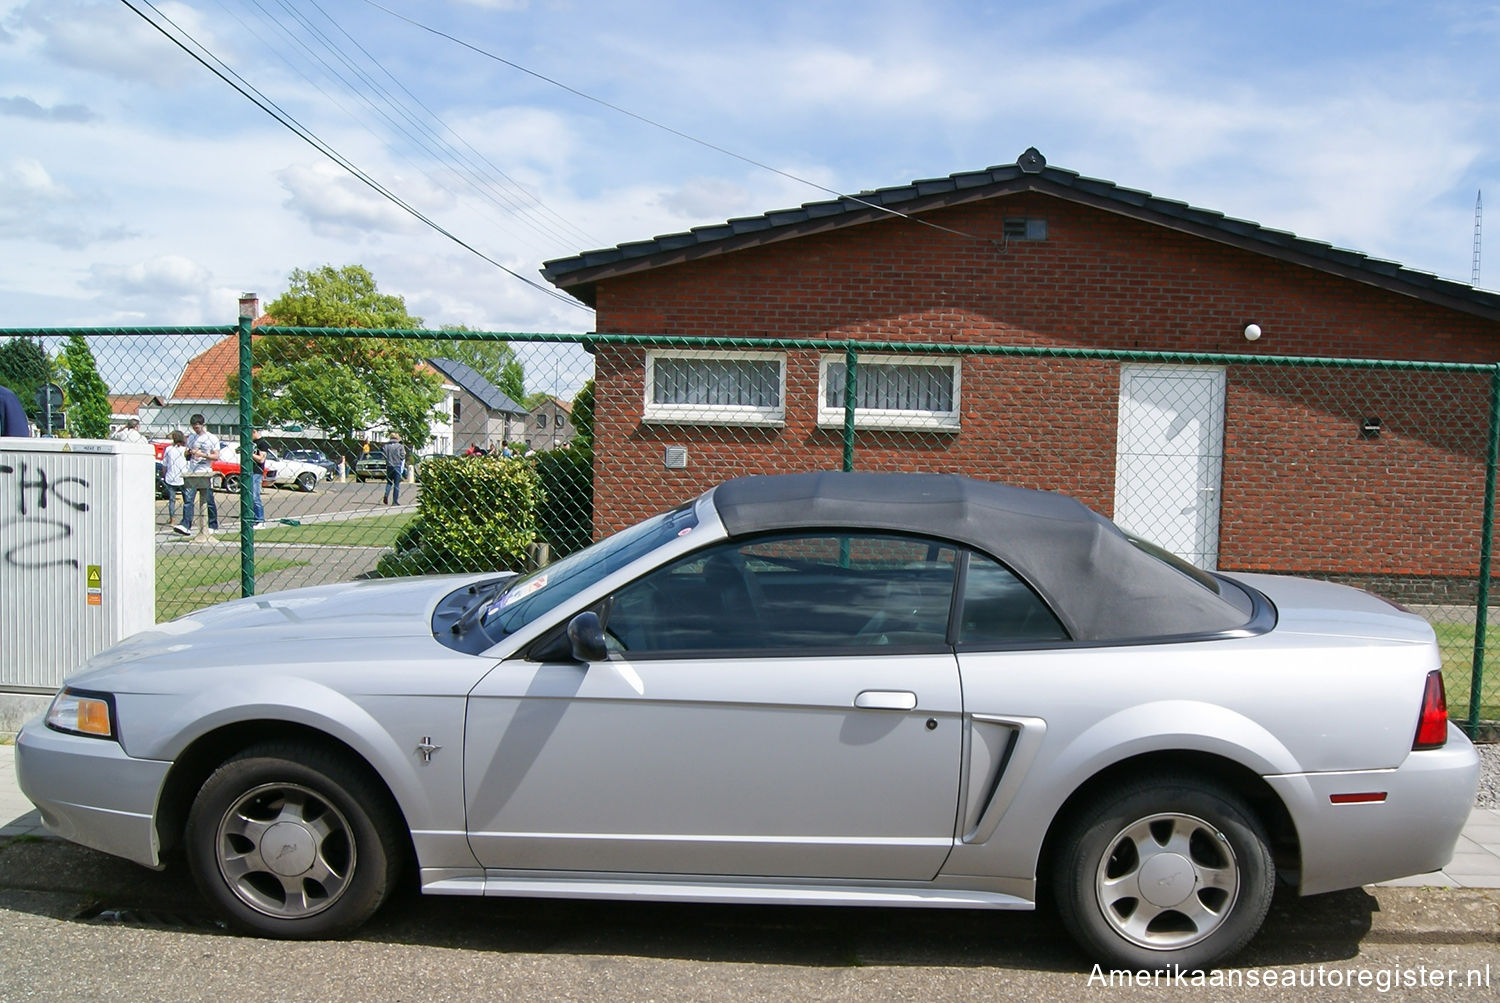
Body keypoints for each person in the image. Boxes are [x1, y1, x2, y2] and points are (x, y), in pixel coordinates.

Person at [174, 413, 220, 535]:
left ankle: (212, 524)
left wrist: (202, 454)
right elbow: (186, 454)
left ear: (203, 425)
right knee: (188, 499)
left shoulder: (212, 438)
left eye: (197, 427)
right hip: (192, 471)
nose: (196, 429)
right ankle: (186, 525)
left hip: (205, 471)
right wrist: (189, 453)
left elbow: (216, 456)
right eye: (194, 427)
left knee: (208, 499)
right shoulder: (191, 438)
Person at [161, 430, 188, 526]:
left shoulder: (168, 449)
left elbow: (164, 464)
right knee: (187, 500)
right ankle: (186, 519)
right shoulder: (185, 449)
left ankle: (172, 519)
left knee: (172, 500)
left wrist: (164, 475)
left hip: (171, 476)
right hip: (183, 477)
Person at [381, 432, 407, 505]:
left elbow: (384, 455)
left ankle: (386, 495)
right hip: (397, 465)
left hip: (389, 466)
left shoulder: (386, 446)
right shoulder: (400, 446)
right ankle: (394, 501)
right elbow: (402, 456)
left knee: (389, 482)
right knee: (396, 484)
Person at [250, 430, 268, 529]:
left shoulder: (262, 443)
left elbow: (261, 459)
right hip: (248, 471)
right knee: (248, 497)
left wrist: (248, 453)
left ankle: (260, 520)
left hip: (256, 472)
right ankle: (253, 519)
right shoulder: (251, 443)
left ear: (253, 432)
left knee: (255, 496)